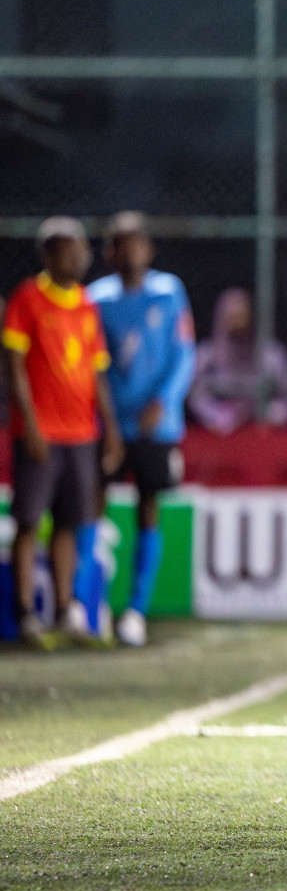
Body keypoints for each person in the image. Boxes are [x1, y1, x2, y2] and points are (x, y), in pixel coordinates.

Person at [3, 217, 124, 647]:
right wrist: (30, 425)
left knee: (70, 524)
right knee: (29, 521)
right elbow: (14, 366)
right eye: (72, 250)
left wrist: (109, 428)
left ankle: (65, 609)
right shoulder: (28, 298)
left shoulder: (87, 304)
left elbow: (98, 374)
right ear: (49, 255)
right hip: (42, 433)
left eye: (83, 250)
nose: (82, 257)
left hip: (81, 434)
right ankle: (24, 615)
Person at [83, 211, 196, 647]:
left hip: (157, 426)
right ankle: (86, 606)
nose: (130, 251)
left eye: (137, 243)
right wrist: (106, 415)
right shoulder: (97, 299)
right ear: (110, 252)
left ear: (148, 248)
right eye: (121, 244)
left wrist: (164, 401)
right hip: (109, 426)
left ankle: (136, 610)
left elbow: (183, 355)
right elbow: (95, 367)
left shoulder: (169, 293)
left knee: (149, 506)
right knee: (92, 505)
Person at [188, 287, 287, 433]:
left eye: (241, 316)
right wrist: (217, 415)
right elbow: (195, 396)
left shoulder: (271, 355)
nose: (237, 324)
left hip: (263, 435)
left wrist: (269, 414)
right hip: (218, 437)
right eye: (231, 317)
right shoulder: (207, 356)